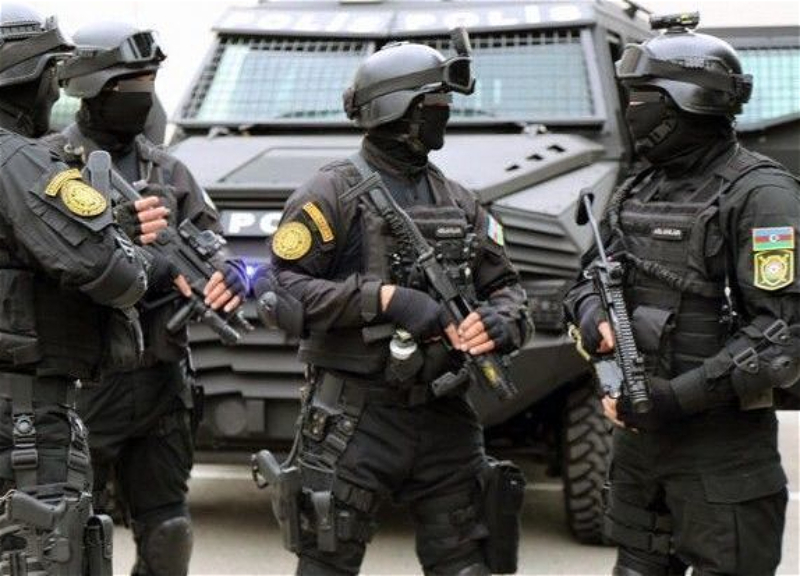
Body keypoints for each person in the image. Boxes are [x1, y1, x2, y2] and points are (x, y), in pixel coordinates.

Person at [267, 38, 532, 575]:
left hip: (445, 414)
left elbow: (507, 287)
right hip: (353, 420)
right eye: (436, 102)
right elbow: (283, 294)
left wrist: (500, 322)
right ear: (400, 108)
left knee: (470, 562)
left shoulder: (458, 200)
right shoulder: (331, 193)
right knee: (326, 563)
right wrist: (384, 299)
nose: (446, 112)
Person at [564, 14, 800, 576]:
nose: (631, 111)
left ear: (684, 102)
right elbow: (586, 278)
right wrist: (595, 317)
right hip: (641, 453)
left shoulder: (762, 196)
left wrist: (675, 398)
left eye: (641, 98)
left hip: (722, 459)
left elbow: (781, 336)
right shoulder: (640, 188)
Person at [47, 22, 245, 576]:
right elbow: (48, 263)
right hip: (84, 383)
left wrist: (230, 274)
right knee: (68, 535)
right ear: (90, 87)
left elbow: (210, 239)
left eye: (149, 82)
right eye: (130, 84)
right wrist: (131, 250)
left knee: (169, 533)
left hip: (161, 379)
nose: (143, 95)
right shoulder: (48, 164)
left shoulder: (168, 168)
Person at [0, 4, 183, 574]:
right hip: (25, 416)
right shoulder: (20, 160)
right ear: (28, 77)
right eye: (52, 73)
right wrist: (147, 254)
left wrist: (113, 224)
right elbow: (116, 275)